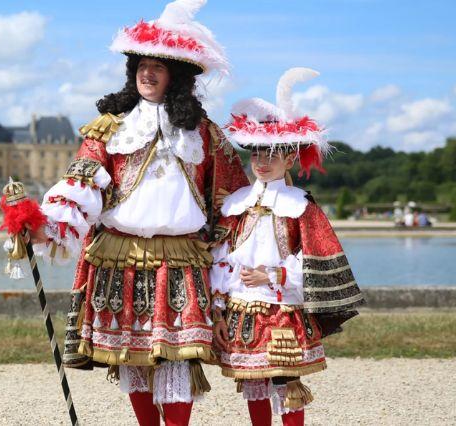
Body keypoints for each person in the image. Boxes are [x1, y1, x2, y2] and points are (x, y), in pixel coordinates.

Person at [26, 1, 246, 424]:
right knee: (134, 360)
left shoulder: (205, 133)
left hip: (183, 258)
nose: (148, 73)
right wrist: (45, 226)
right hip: (120, 256)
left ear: (176, 77)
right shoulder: (110, 127)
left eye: (158, 68)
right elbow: (82, 186)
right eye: (142, 65)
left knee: (178, 361)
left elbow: (231, 202)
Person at [209, 68, 365, 426]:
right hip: (241, 309)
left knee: (285, 380)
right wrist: (218, 308)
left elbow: (313, 257)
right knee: (254, 382)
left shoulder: (300, 205)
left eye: (272, 156)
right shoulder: (236, 203)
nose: (262, 163)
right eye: (258, 156)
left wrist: (272, 273)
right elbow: (220, 256)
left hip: (281, 306)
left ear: (289, 159)